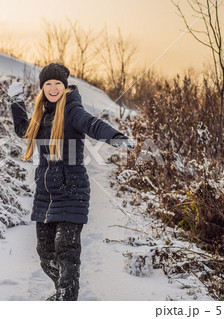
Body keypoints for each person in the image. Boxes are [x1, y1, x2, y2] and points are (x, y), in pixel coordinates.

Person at [8, 63, 135, 301]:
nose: (53, 88)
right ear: (43, 88)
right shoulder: (42, 114)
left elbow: (91, 124)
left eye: (57, 83)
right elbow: (23, 130)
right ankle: (63, 293)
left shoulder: (72, 110)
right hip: (45, 196)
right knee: (45, 254)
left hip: (71, 191)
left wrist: (115, 137)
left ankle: (66, 298)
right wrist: (16, 102)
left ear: (65, 87)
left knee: (66, 254)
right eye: (48, 84)